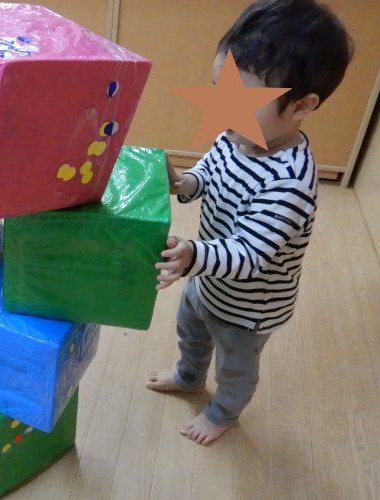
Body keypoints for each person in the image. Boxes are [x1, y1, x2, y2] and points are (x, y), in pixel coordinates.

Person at [148, 0, 352, 446]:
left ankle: (222, 413)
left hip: (248, 309)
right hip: (208, 279)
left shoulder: (290, 181)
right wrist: (184, 183)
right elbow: (210, 174)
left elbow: (249, 254)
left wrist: (192, 255)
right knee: (191, 332)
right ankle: (189, 377)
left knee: (235, 367)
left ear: (302, 105)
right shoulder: (234, 135)